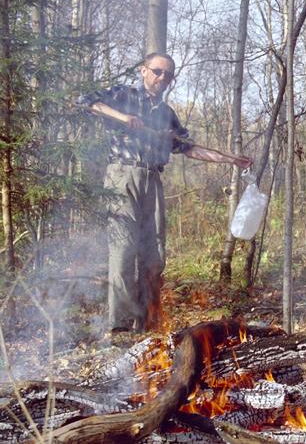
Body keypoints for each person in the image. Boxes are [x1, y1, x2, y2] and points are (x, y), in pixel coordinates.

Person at [77, 53, 252, 333]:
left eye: (167, 75)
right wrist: (123, 117)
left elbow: (188, 147)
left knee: (154, 255)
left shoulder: (166, 113)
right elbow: (85, 102)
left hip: (153, 179)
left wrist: (230, 159)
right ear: (144, 71)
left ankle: (148, 325)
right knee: (123, 251)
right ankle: (120, 328)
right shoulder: (124, 95)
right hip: (123, 176)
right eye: (157, 71)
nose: (162, 78)